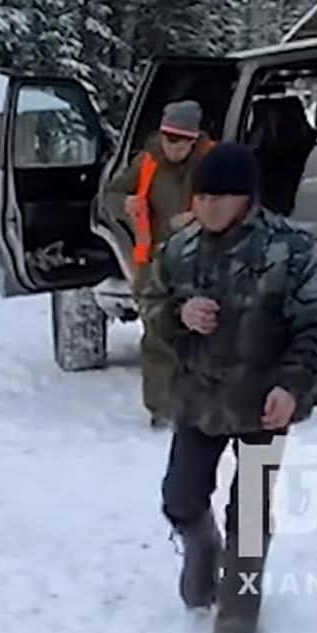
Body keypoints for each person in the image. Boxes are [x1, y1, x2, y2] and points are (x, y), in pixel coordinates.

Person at [140, 143, 317, 633]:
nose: (208, 207)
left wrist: (293, 386)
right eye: (202, 196)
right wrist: (177, 315)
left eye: (220, 198)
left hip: (262, 402)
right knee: (180, 498)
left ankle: (241, 593)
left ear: (246, 200)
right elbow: (150, 300)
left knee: (249, 508)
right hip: (197, 395)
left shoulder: (291, 250)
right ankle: (203, 548)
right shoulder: (181, 245)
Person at [107, 100, 215, 427]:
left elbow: (241, 201)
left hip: (204, 261)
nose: (173, 146)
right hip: (155, 264)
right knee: (157, 338)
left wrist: (198, 215)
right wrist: (124, 202)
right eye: (169, 138)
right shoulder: (147, 161)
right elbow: (110, 195)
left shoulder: (215, 161)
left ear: (193, 140)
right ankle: (162, 410)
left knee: (205, 336)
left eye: (181, 140)